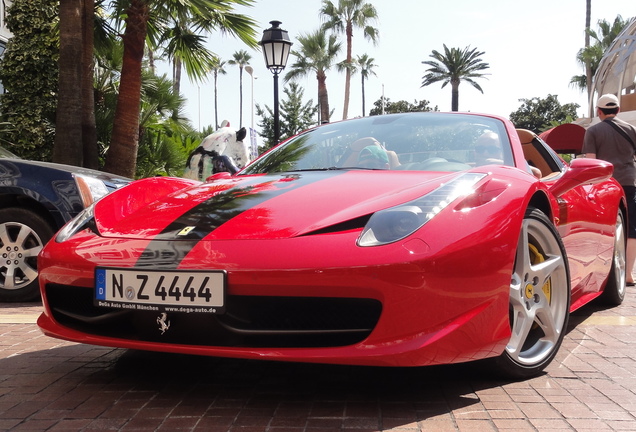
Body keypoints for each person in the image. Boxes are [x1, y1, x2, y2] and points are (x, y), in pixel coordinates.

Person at [583, 93, 636, 285]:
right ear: (618, 110)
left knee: (605, 228)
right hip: (629, 183)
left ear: (599, 111)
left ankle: (603, 273)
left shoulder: (593, 131)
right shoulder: (631, 129)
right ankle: (628, 274)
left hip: (605, 185)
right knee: (631, 228)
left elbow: (591, 161)